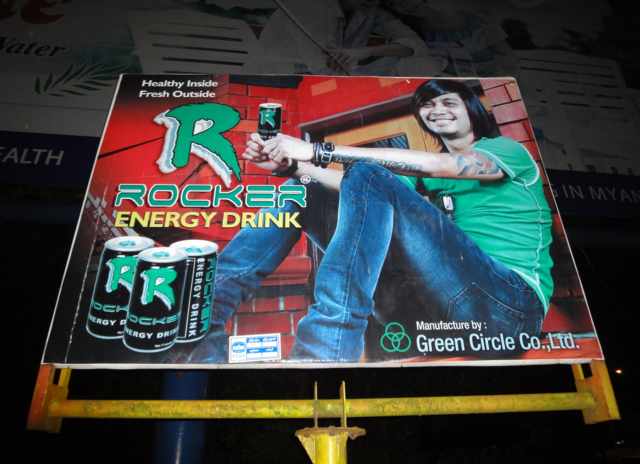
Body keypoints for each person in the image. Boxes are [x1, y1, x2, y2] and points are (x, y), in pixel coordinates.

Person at [190, 79, 553, 363]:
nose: (437, 110)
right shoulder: (423, 177)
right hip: (441, 311)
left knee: (367, 170)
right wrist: (293, 167)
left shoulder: (506, 151)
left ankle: (325, 349)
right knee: (304, 187)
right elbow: (356, 185)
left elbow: (443, 165)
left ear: (471, 108)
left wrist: (318, 150)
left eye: (448, 102)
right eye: (427, 105)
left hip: (509, 310)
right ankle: (200, 323)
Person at [248, 0, 442, 75]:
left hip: (337, 77)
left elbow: (415, 45)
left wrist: (369, 51)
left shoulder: (368, 9)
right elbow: (324, 68)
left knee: (424, 63)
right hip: (282, 79)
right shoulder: (310, 6)